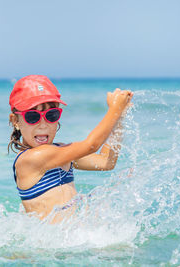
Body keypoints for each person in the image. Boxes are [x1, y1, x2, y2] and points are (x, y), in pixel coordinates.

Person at [8, 75, 133, 223]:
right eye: (32, 116)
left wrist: (120, 118)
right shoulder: (32, 158)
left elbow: (106, 162)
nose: (43, 124)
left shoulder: (59, 152)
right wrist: (114, 109)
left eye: (51, 115)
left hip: (69, 241)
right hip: (50, 245)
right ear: (15, 121)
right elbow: (91, 145)